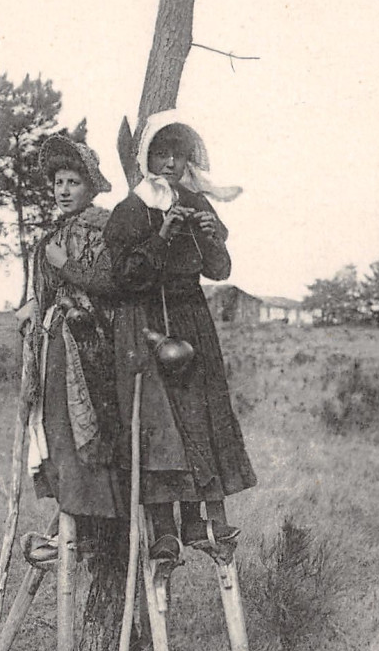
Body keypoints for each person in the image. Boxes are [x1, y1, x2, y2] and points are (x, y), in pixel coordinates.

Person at [103, 110, 256, 565]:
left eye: (178, 154)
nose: (170, 162)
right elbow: (125, 277)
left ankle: (198, 521)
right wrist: (163, 235)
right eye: (161, 153)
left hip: (193, 320)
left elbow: (219, 270)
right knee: (160, 426)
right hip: (150, 325)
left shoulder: (196, 201)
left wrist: (212, 239)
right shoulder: (132, 209)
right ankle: (164, 529)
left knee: (200, 417)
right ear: (147, 156)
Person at [17, 135, 125, 566]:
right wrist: (30, 305)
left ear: (90, 188)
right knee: (58, 431)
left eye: (73, 182)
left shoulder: (103, 228)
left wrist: (67, 269)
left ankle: (92, 531)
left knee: (87, 434)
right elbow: (43, 290)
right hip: (54, 342)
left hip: (90, 344)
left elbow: (111, 285)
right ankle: (70, 527)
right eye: (58, 182)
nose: (63, 190)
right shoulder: (51, 237)